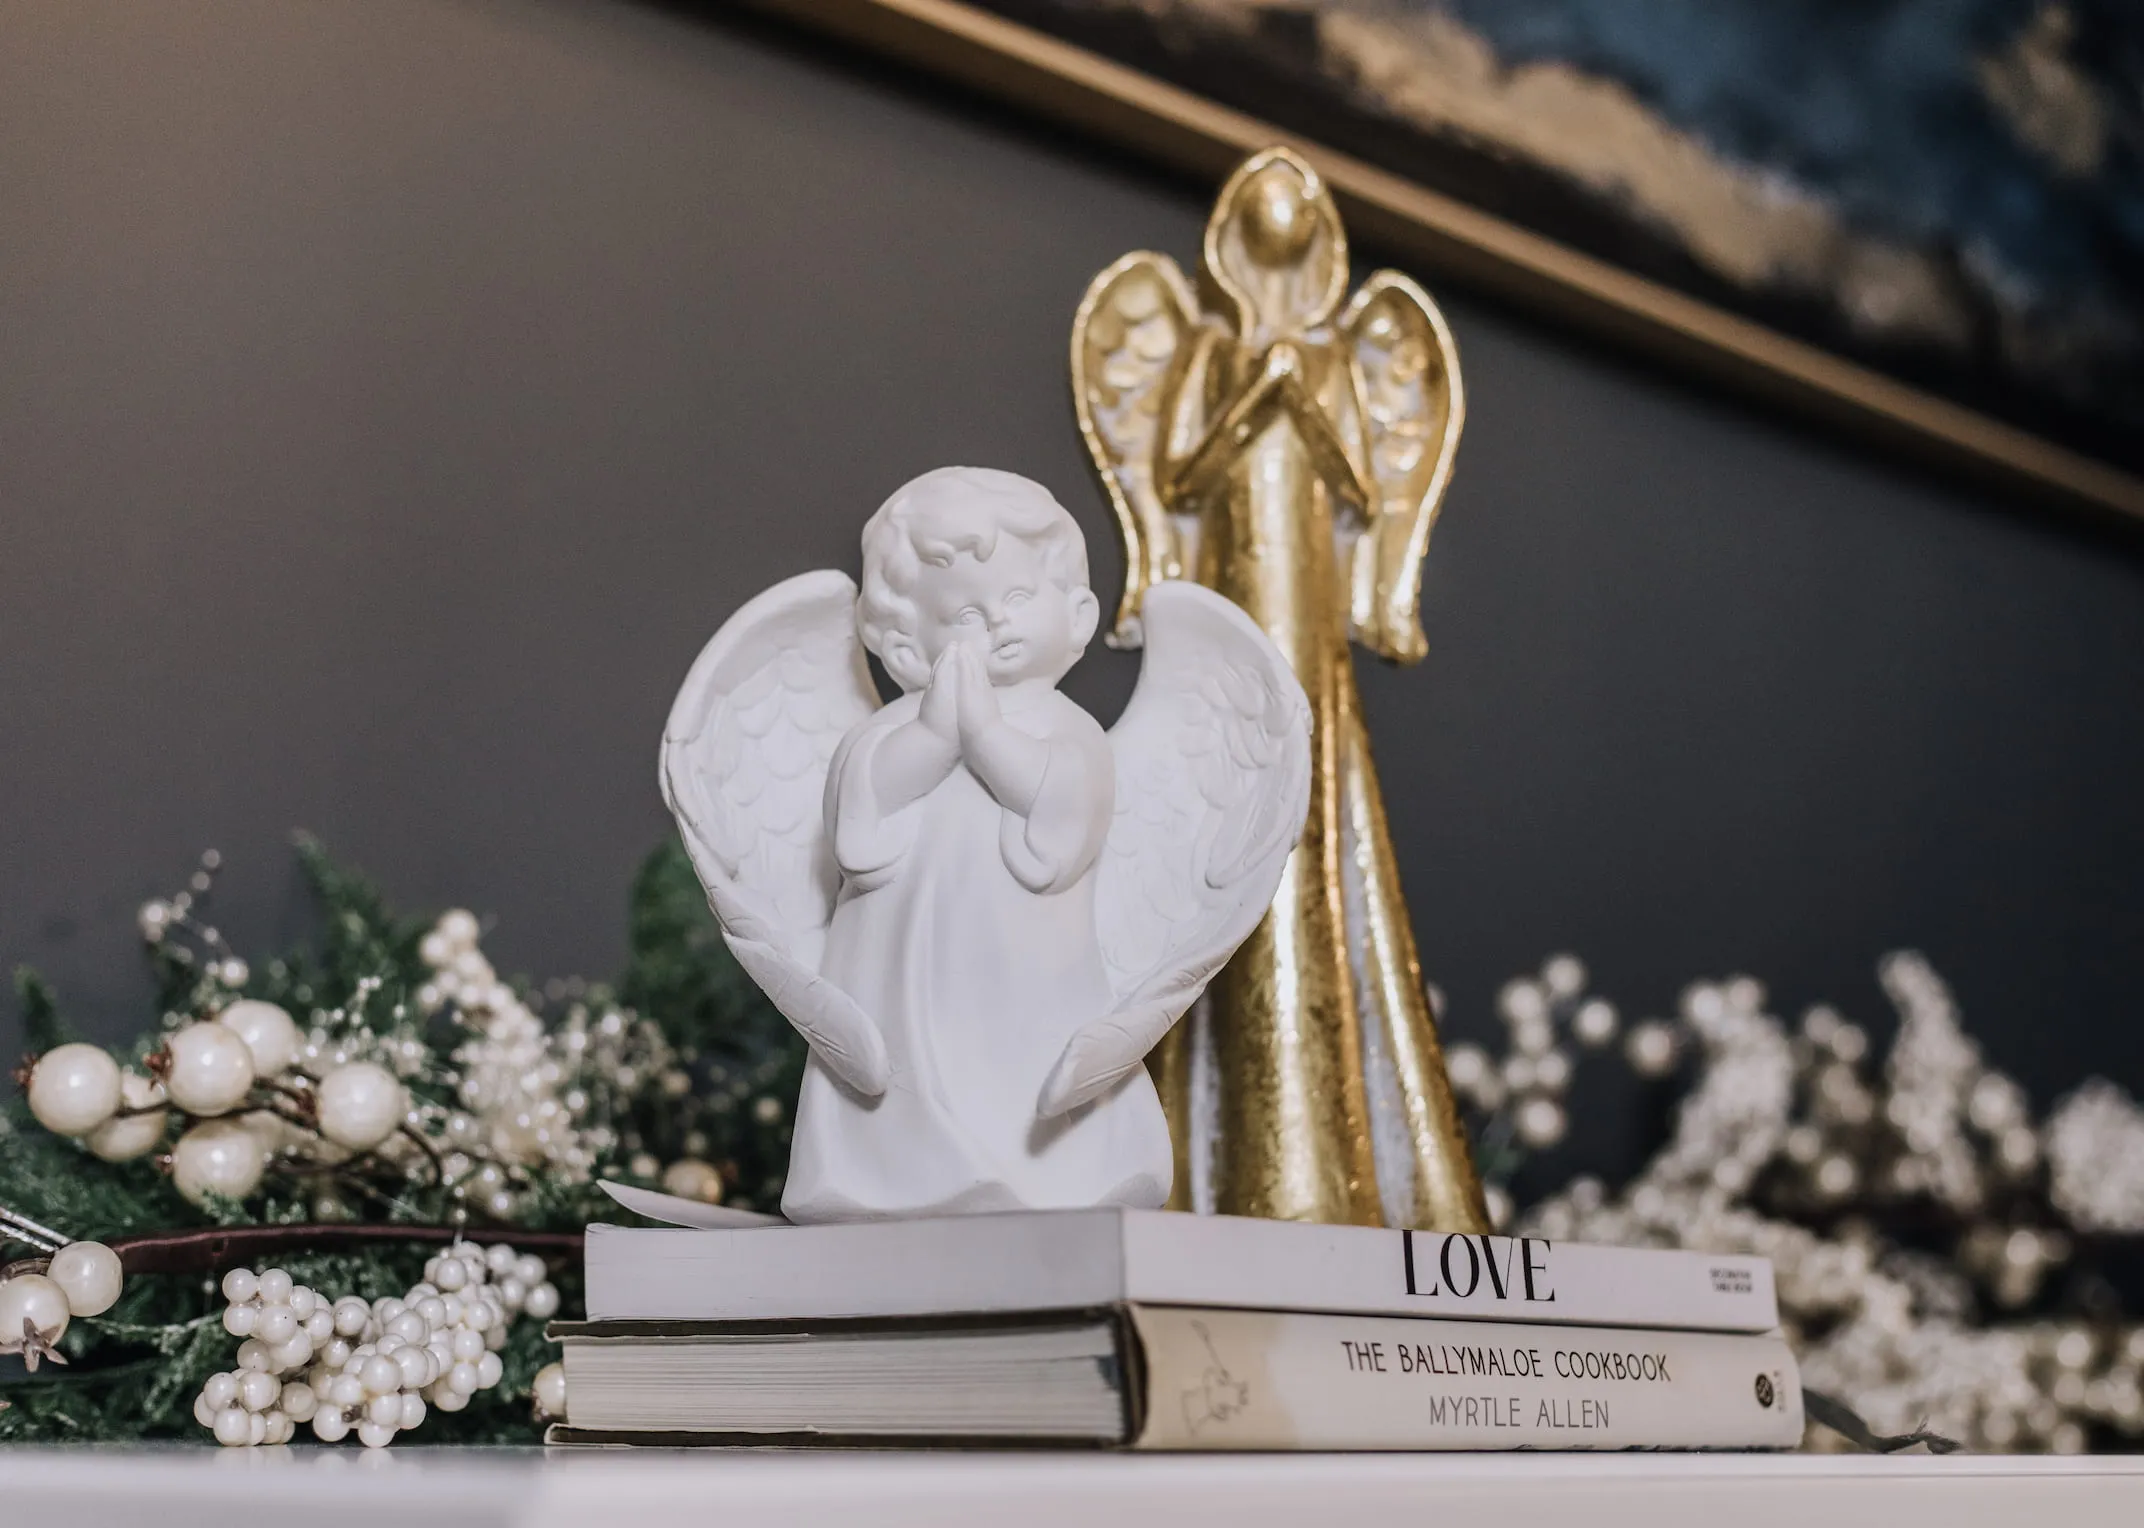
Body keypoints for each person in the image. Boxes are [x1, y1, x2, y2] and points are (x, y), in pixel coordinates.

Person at [779, 467, 1171, 1221]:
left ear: (1079, 614)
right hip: (902, 972)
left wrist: (985, 735)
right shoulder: (890, 728)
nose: (993, 622)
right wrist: (934, 732)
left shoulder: (1064, 727)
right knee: (902, 1069)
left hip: (1025, 971)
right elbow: (860, 815)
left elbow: (1063, 814)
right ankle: (880, 1176)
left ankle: (1051, 1173)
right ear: (903, 641)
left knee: (1025, 1063)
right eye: (960, 614)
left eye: (1018, 598)